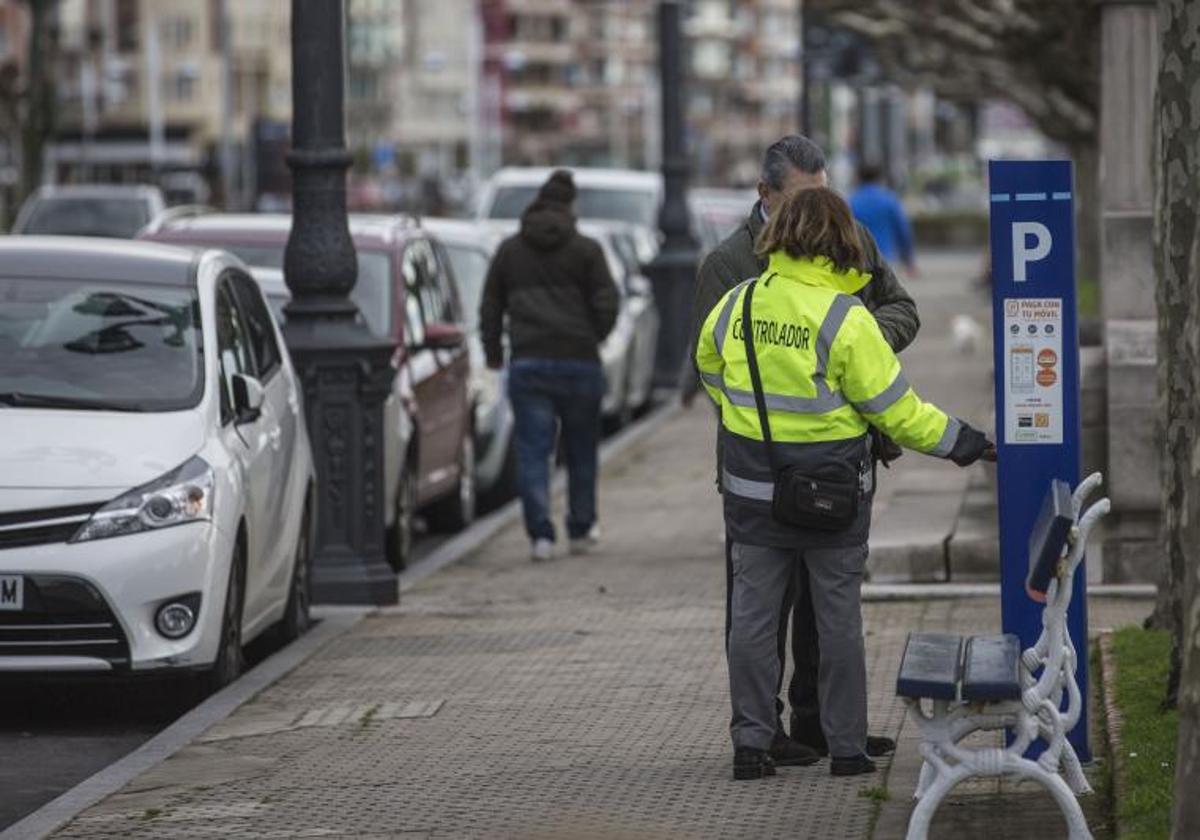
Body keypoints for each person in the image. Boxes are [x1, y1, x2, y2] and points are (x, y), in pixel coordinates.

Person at [696, 186, 994, 780]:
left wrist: (749, 422)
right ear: (839, 241)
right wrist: (965, 443)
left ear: (776, 237)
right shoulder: (846, 318)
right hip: (831, 494)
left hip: (751, 491)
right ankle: (848, 749)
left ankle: (752, 745)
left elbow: (709, 366)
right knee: (836, 622)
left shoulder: (737, 304)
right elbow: (898, 411)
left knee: (753, 622)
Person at [684, 135, 918, 768]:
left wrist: (860, 345)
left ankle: (825, 726)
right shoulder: (729, 264)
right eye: (802, 198)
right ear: (766, 196)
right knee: (762, 611)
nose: (816, 212)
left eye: (823, 196)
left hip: (839, 461)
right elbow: (712, 368)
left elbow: (901, 307)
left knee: (828, 613)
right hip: (760, 472)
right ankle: (765, 732)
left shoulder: (852, 237)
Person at [479, 170, 618, 562]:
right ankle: (580, 527)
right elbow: (608, 300)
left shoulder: (510, 251)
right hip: (579, 362)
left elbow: (490, 305)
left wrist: (493, 351)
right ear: (570, 204)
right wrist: (594, 335)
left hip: (529, 362)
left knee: (533, 451)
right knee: (581, 451)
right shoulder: (587, 251)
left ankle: (540, 534)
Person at [849, 163, 916, 276]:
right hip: (887, 257)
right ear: (879, 178)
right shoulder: (889, 200)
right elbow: (902, 231)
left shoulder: (851, 202)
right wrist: (908, 260)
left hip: (859, 259)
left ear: (859, 178)